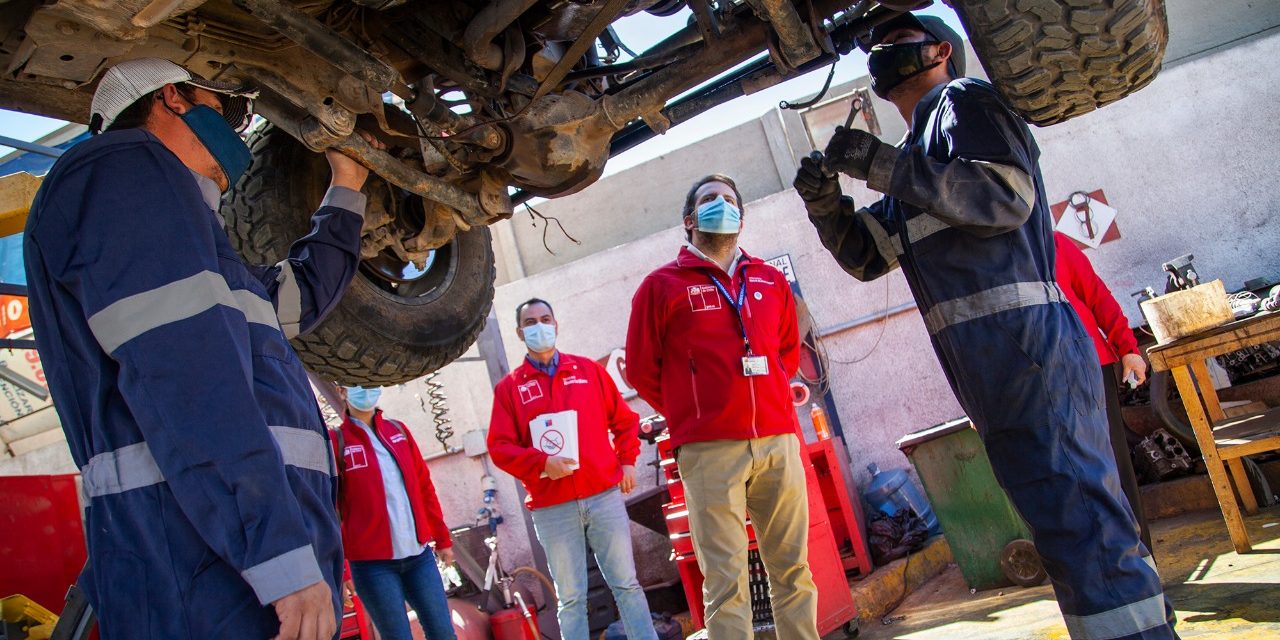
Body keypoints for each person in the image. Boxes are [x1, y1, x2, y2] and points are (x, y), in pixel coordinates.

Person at [792, 13, 1177, 640]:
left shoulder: (963, 103)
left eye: (897, 41)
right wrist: (826, 205)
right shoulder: (919, 157)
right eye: (878, 45)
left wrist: (878, 163)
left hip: (1031, 355)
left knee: (1081, 518)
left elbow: (1004, 198)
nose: (883, 51)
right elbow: (868, 255)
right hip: (994, 371)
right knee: (1062, 524)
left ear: (941, 50)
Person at [24, 58, 380, 639]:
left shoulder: (200, 250)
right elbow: (188, 383)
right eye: (223, 111)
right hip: (204, 564)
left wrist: (348, 186)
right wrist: (281, 558)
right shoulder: (122, 169)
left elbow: (296, 299)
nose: (235, 136)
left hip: (231, 558)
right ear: (174, 98)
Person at [625, 176, 819, 639]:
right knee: (725, 583)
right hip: (708, 450)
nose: (722, 205)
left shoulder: (770, 281)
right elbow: (639, 369)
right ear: (690, 220)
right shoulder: (661, 286)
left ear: (742, 218)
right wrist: (692, 410)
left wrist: (765, 394)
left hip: (777, 441)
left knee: (794, 570)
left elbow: (785, 353)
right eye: (710, 199)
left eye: (730, 200)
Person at [487, 298, 656, 640]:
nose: (539, 326)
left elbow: (625, 421)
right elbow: (500, 447)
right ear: (520, 333)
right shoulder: (510, 389)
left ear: (556, 324)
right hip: (553, 509)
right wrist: (541, 463)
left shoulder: (589, 371)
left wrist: (627, 461)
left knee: (627, 585)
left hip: (603, 497)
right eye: (531, 322)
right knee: (571, 598)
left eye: (545, 318)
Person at [332, 386, 457, 640]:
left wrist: (442, 539)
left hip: (419, 557)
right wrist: (342, 570)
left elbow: (424, 488)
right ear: (341, 391)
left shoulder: (397, 430)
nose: (365, 390)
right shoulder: (336, 442)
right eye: (356, 384)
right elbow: (330, 511)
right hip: (372, 566)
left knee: (443, 634)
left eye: (370, 383)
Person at [1054, 231, 1153, 550]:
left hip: (1090, 366)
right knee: (1069, 476)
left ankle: (1141, 555)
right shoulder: (987, 258)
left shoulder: (1054, 242)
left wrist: (1128, 347)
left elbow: (1096, 294)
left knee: (1114, 463)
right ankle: (1107, 561)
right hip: (1038, 381)